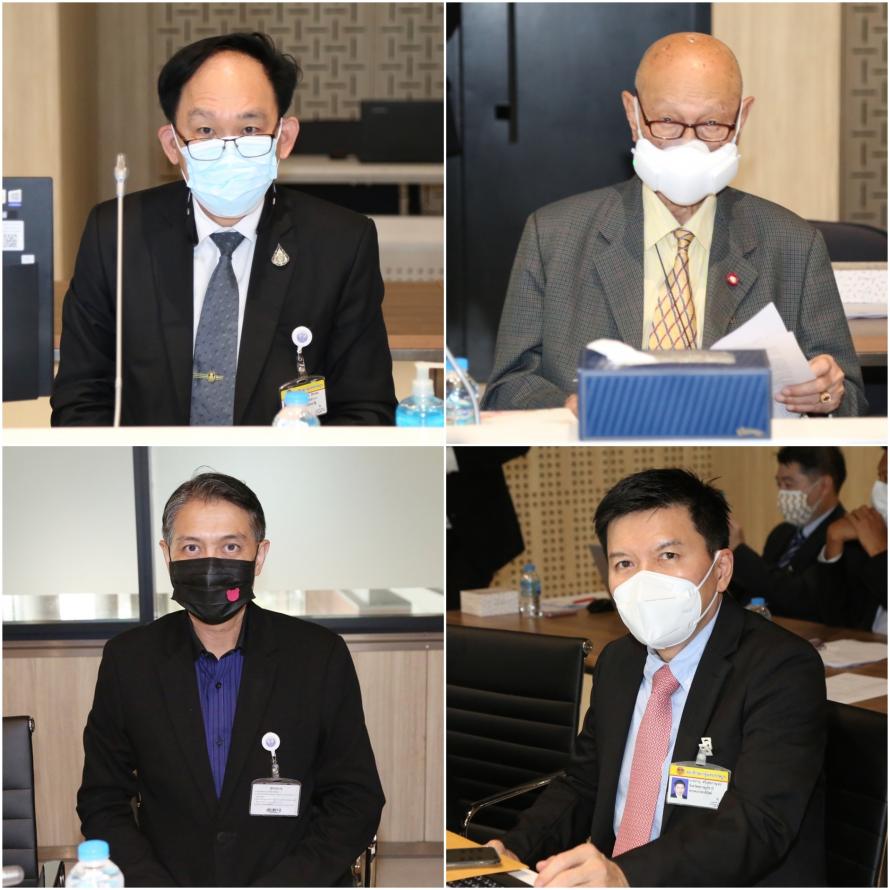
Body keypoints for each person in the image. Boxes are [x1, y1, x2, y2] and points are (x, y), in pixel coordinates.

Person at [482, 32, 865, 417]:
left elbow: (849, 396)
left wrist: (827, 396)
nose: (689, 145)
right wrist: (570, 407)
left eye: (711, 123)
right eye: (667, 121)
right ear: (633, 115)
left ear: (741, 119)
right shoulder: (553, 236)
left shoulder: (794, 245)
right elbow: (507, 388)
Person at [487, 468, 825, 887]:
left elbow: (756, 824)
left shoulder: (781, 668)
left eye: (667, 556)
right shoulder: (619, 662)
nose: (643, 581)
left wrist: (625, 875)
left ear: (721, 569)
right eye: (624, 563)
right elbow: (582, 784)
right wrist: (514, 850)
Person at [53, 32, 396, 426]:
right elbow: (79, 403)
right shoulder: (114, 235)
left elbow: (367, 410)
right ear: (172, 145)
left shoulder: (341, 243)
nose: (228, 148)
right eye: (205, 131)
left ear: (284, 138)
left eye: (249, 130)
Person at [77, 473, 384, 886]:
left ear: (259, 556)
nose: (210, 565)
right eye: (192, 547)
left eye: (230, 547)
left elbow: (355, 799)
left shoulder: (318, 656)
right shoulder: (129, 661)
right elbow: (102, 799)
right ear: (167, 555)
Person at [730, 447, 847, 624]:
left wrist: (741, 553)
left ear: (824, 486)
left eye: (789, 484)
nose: (782, 493)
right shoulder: (782, 533)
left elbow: (802, 598)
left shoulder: (842, 537)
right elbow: (756, 591)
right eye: (779, 484)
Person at [819, 448, 888, 631]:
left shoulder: (877, 545)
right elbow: (835, 619)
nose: (879, 489)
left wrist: (880, 553)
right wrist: (834, 542)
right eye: (881, 477)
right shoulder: (867, 542)